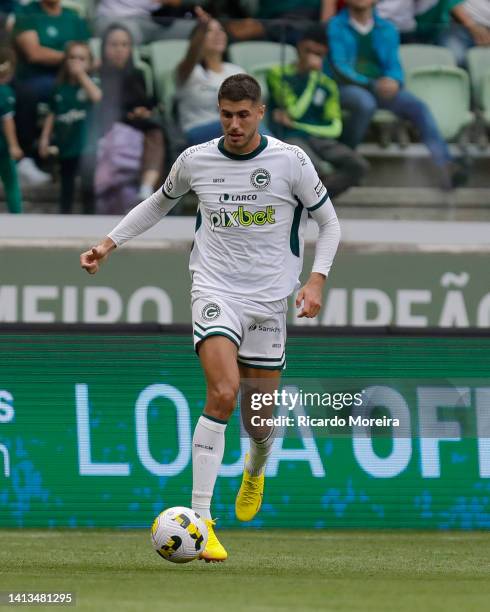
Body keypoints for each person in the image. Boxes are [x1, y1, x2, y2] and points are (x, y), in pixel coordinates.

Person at [80, 73, 341, 562]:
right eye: (226, 114)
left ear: (260, 112)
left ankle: (256, 467)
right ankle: (202, 520)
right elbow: (159, 202)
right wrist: (109, 243)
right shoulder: (197, 159)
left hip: (269, 302)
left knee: (259, 422)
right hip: (215, 289)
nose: (234, 124)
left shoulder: (290, 161)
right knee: (221, 392)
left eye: (243, 115)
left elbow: (329, 222)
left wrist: (317, 279)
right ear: (219, 112)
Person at [327, 0, 468, 189]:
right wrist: (372, 84)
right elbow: (339, 67)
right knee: (364, 103)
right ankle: (345, 163)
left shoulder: (387, 28)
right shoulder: (335, 26)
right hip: (346, 87)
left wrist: (394, 81)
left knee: (416, 105)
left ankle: (445, 164)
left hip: (381, 87)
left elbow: (394, 66)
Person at [267, 24, 368, 197]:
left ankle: (319, 203)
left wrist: (299, 124)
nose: (311, 57)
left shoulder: (328, 85)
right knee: (312, 166)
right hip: (291, 136)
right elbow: (294, 111)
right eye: (308, 51)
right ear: (299, 47)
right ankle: (315, 203)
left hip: (319, 138)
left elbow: (336, 128)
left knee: (359, 165)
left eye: (318, 54)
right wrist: (312, 78)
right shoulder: (278, 74)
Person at [13, 0, 90, 186]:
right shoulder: (27, 13)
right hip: (36, 79)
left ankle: (84, 159)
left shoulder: (72, 16)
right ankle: (25, 160)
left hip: (71, 78)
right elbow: (34, 53)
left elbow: (86, 53)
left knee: (87, 92)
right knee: (28, 94)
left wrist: (77, 63)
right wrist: (71, 58)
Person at [96, 24, 166, 208]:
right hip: (109, 127)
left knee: (157, 131)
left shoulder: (138, 73)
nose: (120, 50)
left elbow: (149, 101)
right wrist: (130, 113)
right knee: (154, 132)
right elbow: (102, 107)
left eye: (124, 45)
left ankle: (147, 189)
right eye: (114, 44)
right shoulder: (98, 74)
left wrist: (144, 110)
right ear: (104, 48)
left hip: (140, 125)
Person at [38, 41, 101, 214]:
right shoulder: (60, 88)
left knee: (88, 186)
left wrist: (81, 75)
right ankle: (64, 218)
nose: (76, 62)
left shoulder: (91, 83)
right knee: (67, 185)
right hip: (67, 144)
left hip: (87, 146)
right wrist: (45, 138)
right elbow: (52, 113)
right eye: (72, 57)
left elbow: (97, 97)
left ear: (89, 63)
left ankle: (92, 220)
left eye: (82, 58)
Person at [175, 7, 245, 145]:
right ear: (199, 38)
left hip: (233, 130)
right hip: (196, 132)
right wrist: (202, 27)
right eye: (209, 31)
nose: (217, 34)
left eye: (220, 30)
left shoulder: (236, 70)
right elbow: (190, 58)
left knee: (246, 123)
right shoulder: (190, 71)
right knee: (239, 124)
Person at [94, 0, 195, 46]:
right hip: (114, 17)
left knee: (201, 30)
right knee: (124, 36)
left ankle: (204, 82)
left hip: (147, 20)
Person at [0, 46, 23, 213]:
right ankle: (17, 215)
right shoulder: (5, 92)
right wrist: (14, 145)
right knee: (11, 182)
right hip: (2, 147)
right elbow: (7, 121)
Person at [438, 0, 490, 66]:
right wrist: (472, 25)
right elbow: (450, 2)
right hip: (461, 27)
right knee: (456, 58)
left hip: (484, 32)